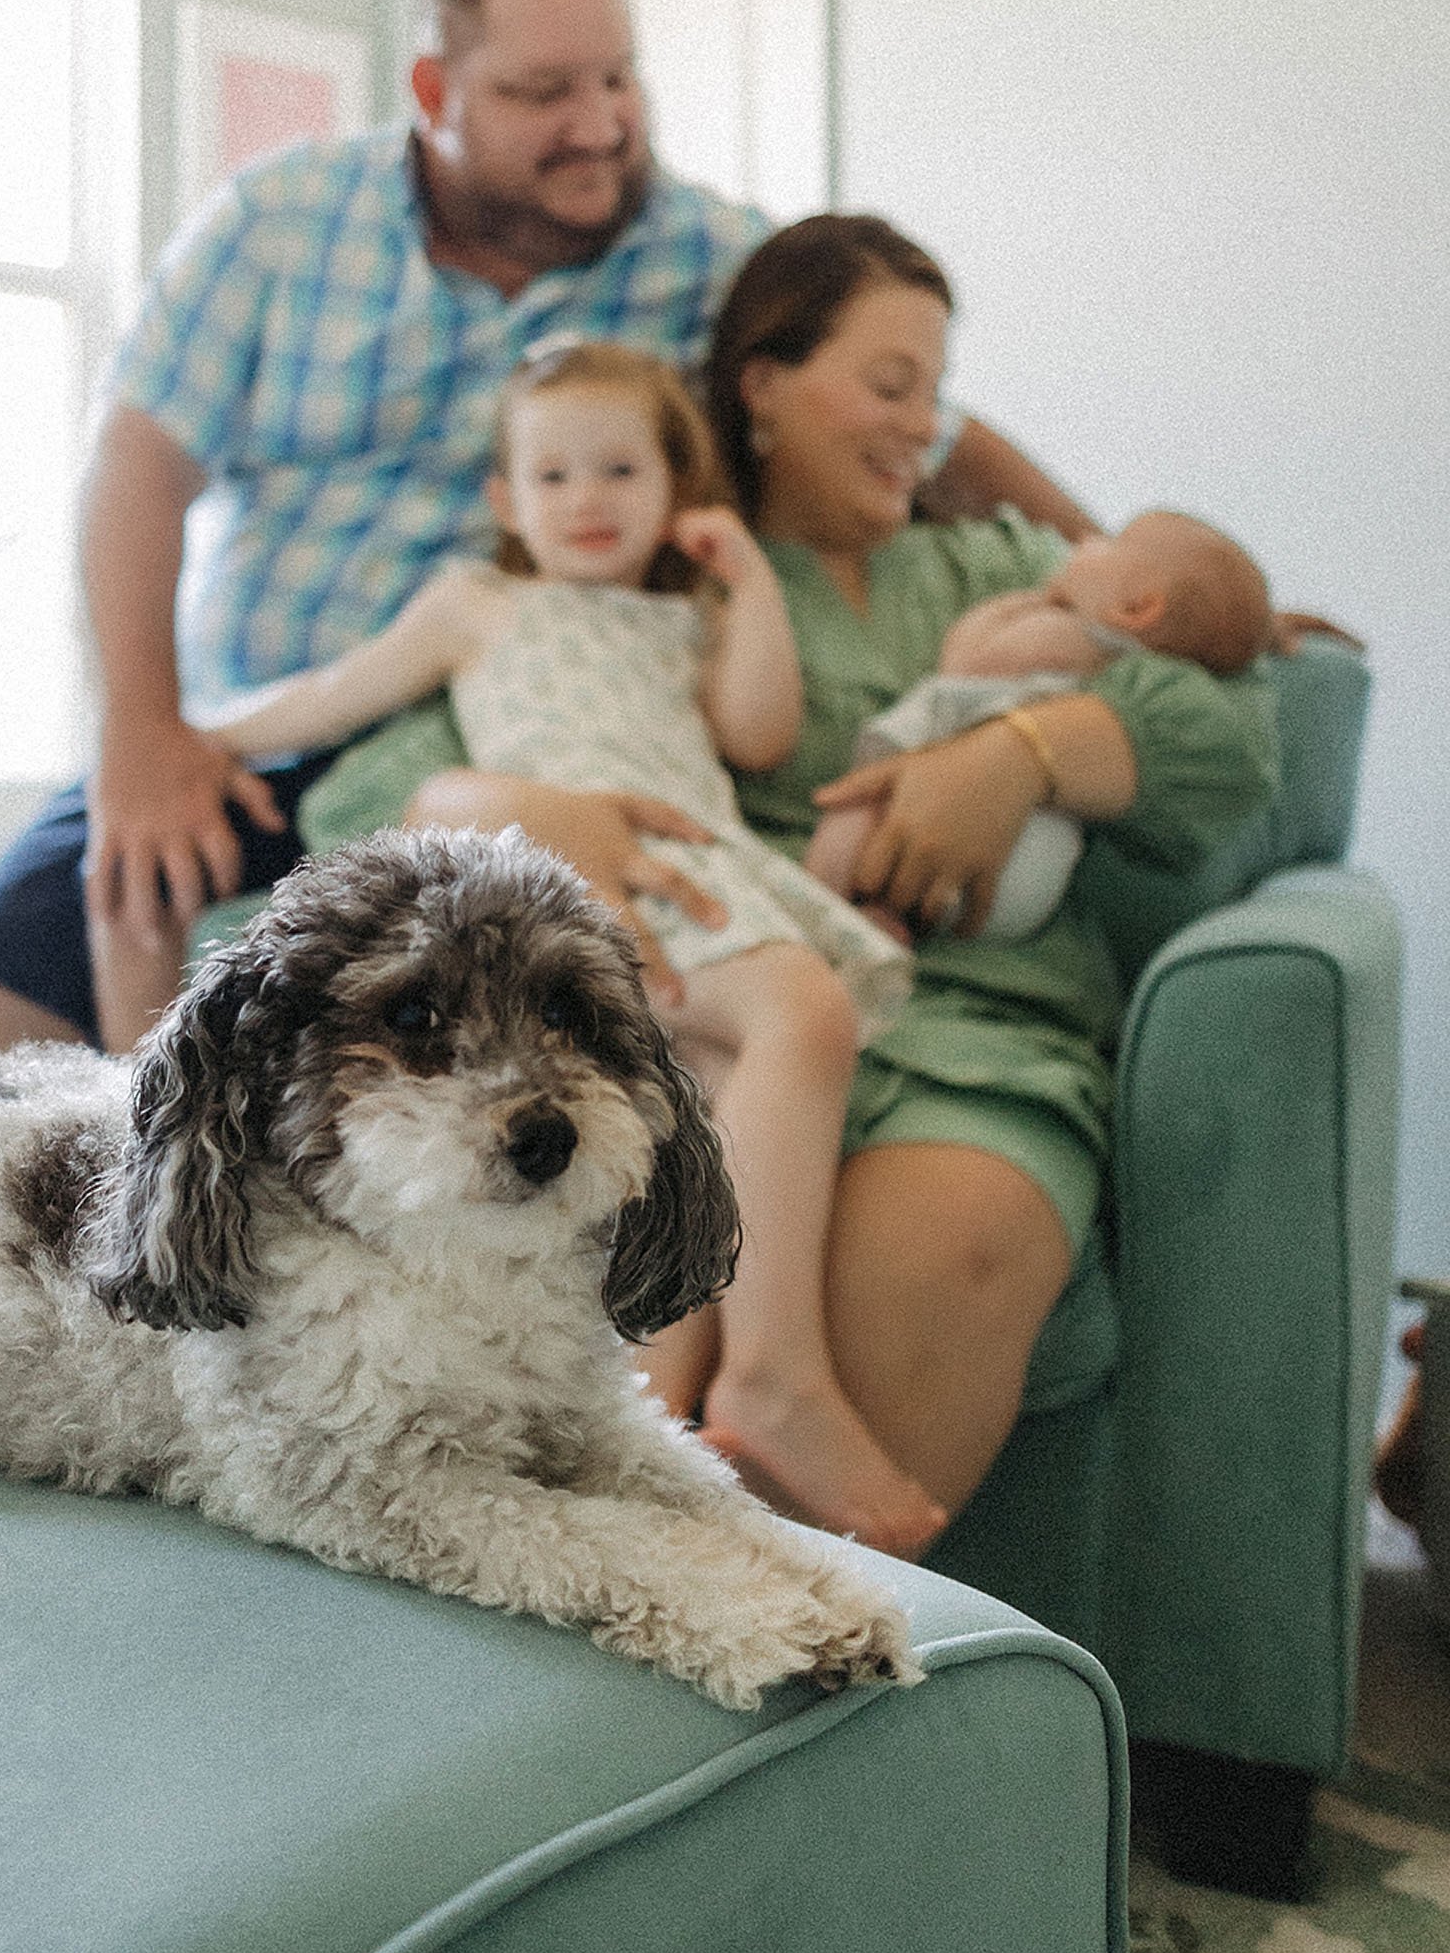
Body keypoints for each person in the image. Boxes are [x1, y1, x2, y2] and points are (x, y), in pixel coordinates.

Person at [0, 0, 1092, 1056]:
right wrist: (141, 729)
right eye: (545, 94)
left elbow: (918, 427)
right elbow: (136, 462)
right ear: (436, 96)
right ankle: (144, 1218)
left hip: (508, 728)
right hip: (274, 718)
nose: (599, 127)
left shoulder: (706, 255)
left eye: (619, 80)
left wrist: (1118, 565)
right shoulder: (278, 223)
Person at [291, 213, 1280, 1527]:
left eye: (936, 390)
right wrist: (496, 802)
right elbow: (367, 789)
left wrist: (1026, 754)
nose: (925, 425)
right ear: (761, 385)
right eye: (889, 385)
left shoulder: (1010, 571)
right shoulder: (660, 568)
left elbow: (1240, 745)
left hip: (974, 1035)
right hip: (733, 1021)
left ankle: (801, 1674)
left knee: (931, 1259)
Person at [183, 336, 938, 1555]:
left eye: (619, 470)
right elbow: (330, 695)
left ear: (670, 488)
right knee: (805, 1012)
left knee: (700, 1108)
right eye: (553, 477)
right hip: (567, 893)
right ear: (504, 502)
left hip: (698, 865)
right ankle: (778, 1373)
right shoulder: (476, 604)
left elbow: (759, 732)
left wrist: (745, 580)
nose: (586, 500)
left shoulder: (675, 614)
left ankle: (658, 1402)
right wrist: (186, 731)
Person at [804, 509, 1273, 941]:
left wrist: (1032, 602)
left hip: (982, 839)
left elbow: (970, 658)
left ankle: (834, 924)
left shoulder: (1069, 634)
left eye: (1108, 541)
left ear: (1136, 608)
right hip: (1036, 864)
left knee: (844, 834)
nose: (1084, 539)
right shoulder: (1121, 663)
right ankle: (886, 928)